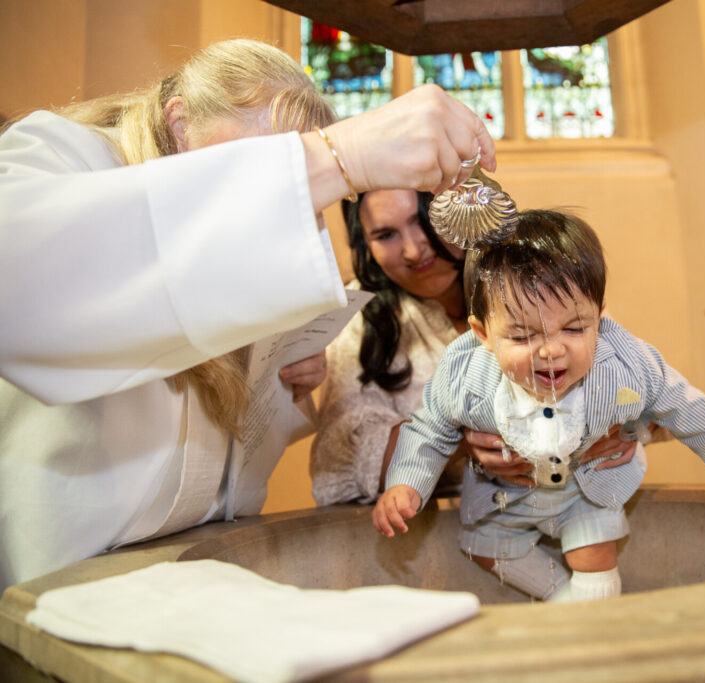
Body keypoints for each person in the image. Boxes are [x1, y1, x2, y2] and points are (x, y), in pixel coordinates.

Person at [0, 38, 496, 591]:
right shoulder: (65, 155)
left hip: (202, 566)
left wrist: (287, 384)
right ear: (180, 122)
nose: (271, 193)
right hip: (64, 569)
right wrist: (339, 156)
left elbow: (216, 443)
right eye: (260, 164)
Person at [373, 210, 705, 602]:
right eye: (522, 337)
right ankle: (563, 601)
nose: (551, 350)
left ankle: (592, 602)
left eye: (574, 328)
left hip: (586, 490)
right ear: (483, 334)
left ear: (600, 317)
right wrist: (405, 484)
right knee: (485, 551)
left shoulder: (624, 362)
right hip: (503, 498)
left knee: (594, 554)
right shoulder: (465, 373)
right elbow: (428, 430)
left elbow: (684, 406)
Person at [310, 190, 643, 505]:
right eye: (385, 235)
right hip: (451, 532)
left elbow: (649, 390)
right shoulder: (360, 318)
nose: (412, 250)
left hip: (578, 506)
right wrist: (459, 436)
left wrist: (620, 427)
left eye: (424, 221)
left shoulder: (537, 278)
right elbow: (340, 464)